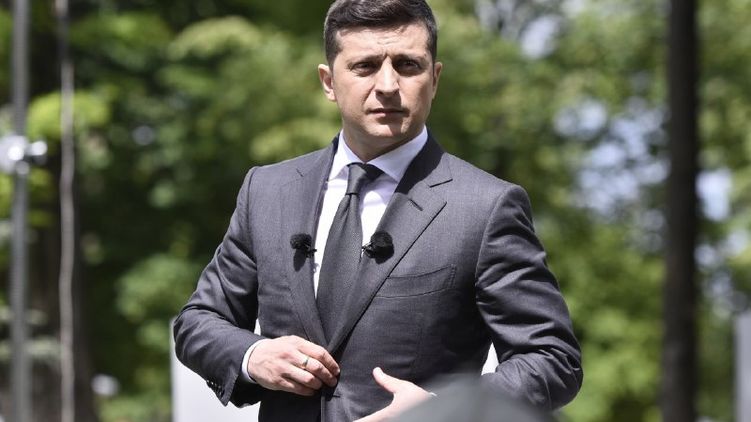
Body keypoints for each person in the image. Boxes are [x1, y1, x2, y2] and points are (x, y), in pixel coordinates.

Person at [173, 0, 583, 421]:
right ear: (328, 81)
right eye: (365, 66)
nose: (388, 84)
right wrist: (253, 355)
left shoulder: (486, 206)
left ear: (434, 78)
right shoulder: (267, 190)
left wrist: (442, 412)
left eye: (407, 65)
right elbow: (198, 322)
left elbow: (553, 359)